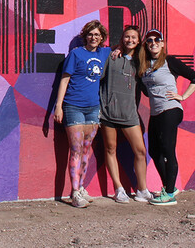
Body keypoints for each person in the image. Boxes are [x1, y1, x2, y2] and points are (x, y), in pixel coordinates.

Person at [139, 28, 195, 206]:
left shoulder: (169, 61)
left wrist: (182, 96)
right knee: (154, 151)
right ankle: (169, 188)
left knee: (167, 149)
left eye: (157, 40)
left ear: (163, 43)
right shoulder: (144, 65)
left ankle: (169, 194)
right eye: (149, 40)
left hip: (171, 109)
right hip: (156, 111)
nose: (153, 43)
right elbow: (145, 88)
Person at [53, 20, 111, 208]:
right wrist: (58, 106)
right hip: (73, 107)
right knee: (76, 150)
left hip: (93, 108)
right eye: (90, 34)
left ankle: (81, 187)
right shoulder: (76, 54)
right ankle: (74, 192)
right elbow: (64, 80)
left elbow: (122, 49)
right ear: (85, 36)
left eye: (97, 35)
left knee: (86, 150)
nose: (93, 37)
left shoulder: (104, 53)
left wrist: (117, 51)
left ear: (102, 37)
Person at [100, 25, 152, 203]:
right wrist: (116, 49)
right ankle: (119, 189)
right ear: (122, 38)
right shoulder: (111, 55)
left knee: (140, 151)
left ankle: (142, 189)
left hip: (130, 114)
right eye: (127, 37)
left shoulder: (141, 61)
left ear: (139, 41)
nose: (130, 40)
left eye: (134, 38)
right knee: (110, 149)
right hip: (108, 113)